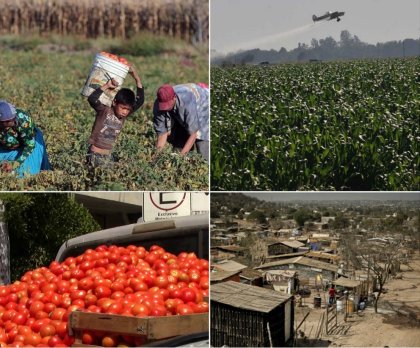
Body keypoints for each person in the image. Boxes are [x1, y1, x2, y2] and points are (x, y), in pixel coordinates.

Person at [86, 66, 144, 167]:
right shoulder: (104, 110)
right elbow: (92, 99)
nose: (125, 112)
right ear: (114, 103)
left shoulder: (124, 116)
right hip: (95, 155)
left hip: (108, 156)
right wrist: (107, 85)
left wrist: (136, 77)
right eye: (123, 108)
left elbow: (140, 101)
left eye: (127, 109)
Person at [153, 83, 209, 162]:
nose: (165, 108)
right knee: (179, 142)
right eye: (163, 105)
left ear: (174, 98)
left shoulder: (187, 103)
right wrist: (156, 157)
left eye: (167, 105)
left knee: (203, 147)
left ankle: (207, 166)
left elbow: (193, 134)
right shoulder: (159, 104)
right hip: (182, 108)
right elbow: (162, 133)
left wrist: (180, 158)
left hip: (203, 104)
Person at [0, 101, 51, 177]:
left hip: (29, 144)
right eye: (5, 125)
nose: (8, 128)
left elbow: (29, 146)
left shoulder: (23, 120)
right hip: (6, 147)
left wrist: (15, 164)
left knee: (27, 174)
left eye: (11, 123)